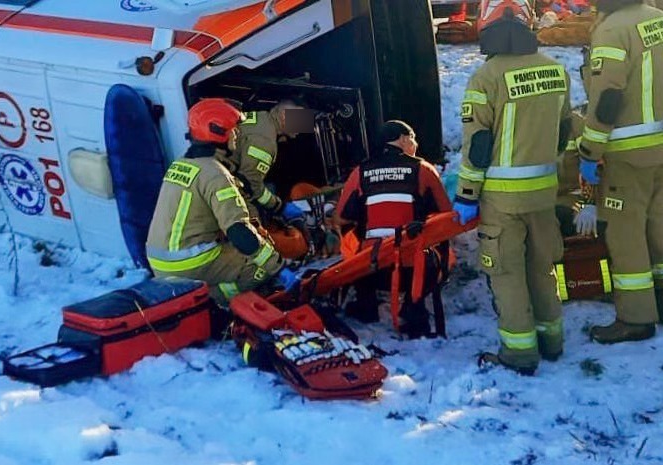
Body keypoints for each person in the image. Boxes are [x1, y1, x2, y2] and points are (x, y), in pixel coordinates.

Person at [454, 0, 572, 375]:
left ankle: (519, 354)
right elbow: (564, 131)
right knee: (542, 267)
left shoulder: (485, 78)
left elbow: (478, 146)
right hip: (544, 191)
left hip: (503, 200)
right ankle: (552, 341)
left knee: (507, 274)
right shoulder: (556, 70)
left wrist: (466, 196)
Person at [146, 99, 299, 303]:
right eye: (233, 130)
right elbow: (240, 232)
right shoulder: (217, 175)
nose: (237, 134)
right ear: (219, 135)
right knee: (261, 266)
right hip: (188, 263)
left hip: (160, 261)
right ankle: (213, 301)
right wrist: (278, 267)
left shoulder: (180, 164)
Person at [577, 0, 663, 343]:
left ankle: (635, 318)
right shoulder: (657, 19)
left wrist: (590, 151)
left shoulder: (612, 31)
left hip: (629, 155)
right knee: (659, 225)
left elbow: (607, 100)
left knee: (626, 235)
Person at [335, 120, 453, 337]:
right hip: (414, 271)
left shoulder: (360, 172)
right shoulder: (423, 169)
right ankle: (413, 305)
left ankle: (366, 302)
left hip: (370, 269)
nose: (415, 144)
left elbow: (341, 218)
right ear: (402, 139)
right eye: (413, 138)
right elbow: (447, 214)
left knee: (351, 238)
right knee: (444, 248)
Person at [222, 100, 308, 226]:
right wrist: (280, 206)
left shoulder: (260, 117)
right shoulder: (265, 141)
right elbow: (250, 184)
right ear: (284, 115)